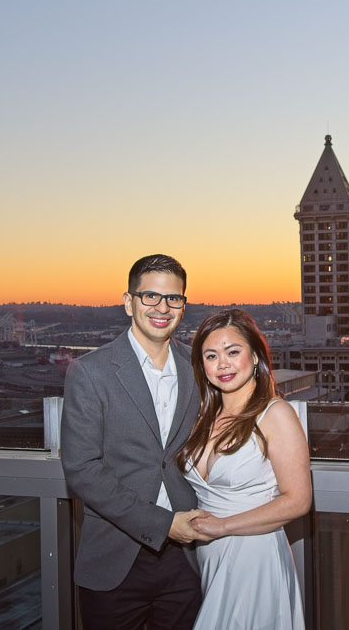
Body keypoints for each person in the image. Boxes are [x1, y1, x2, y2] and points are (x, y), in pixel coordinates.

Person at [61, 254, 207, 630]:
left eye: (173, 298)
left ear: (183, 306)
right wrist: (162, 525)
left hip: (187, 560)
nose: (162, 307)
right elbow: (81, 470)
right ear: (129, 302)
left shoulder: (198, 367)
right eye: (150, 297)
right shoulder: (90, 371)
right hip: (115, 560)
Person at [177, 308, 311, 629]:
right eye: (211, 355)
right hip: (210, 556)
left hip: (255, 556)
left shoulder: (275, 414)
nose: (222, 363)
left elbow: (298, 500)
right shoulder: (202, 417)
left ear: (254, 358)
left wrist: (222, 527)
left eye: (232, 351)